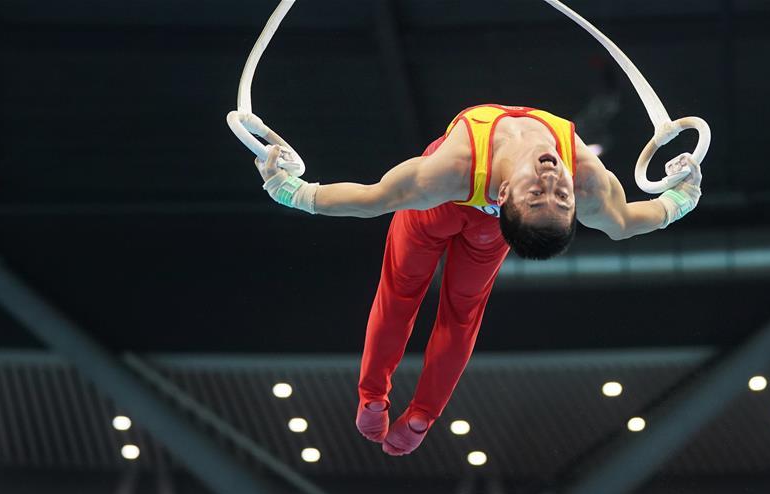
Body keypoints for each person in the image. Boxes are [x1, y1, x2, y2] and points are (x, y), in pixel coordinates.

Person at [255, 103, 702, 456]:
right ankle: (418, 415)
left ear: (506, 195)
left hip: (437, 212)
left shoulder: (450, 168)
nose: (552, 180)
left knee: (401, 292)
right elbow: (625, 222)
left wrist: (293, 191)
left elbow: (373, 199)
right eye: (559, 193)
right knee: (460, 312)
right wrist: (682, 195)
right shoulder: (584, 176)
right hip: (483, 229)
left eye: (540, 193)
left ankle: (377, 396)